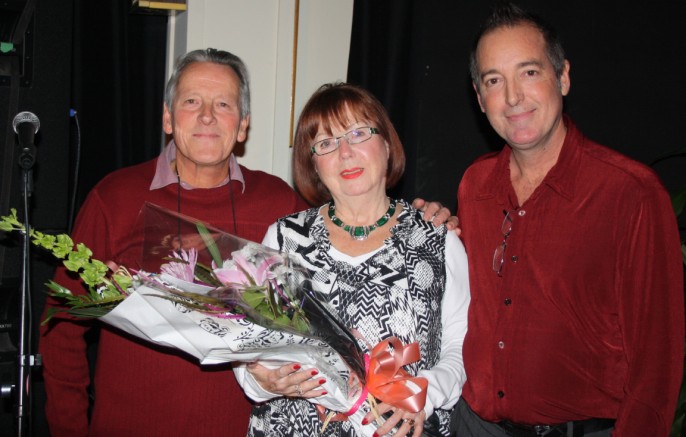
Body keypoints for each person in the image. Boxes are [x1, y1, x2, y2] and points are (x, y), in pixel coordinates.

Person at [38, 49, 454, 436]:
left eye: (223, 105)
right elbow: (61, 327)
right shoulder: (116, 197)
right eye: (191, 102)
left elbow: (349, 217)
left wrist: (421, 219)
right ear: (167, 118)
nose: (206, 117)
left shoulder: (279, 208)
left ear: (242, 125)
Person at [453, 3, 684, 437]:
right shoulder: (474, 186)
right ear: (480, 98)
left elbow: (657, 360)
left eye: (529, 72)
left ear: (563, 76)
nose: (513, 97)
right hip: (476, 426)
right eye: (494, 81)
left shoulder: (629, 193)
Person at [233, 82, 470, 437]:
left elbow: (461, 346)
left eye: (358, 133)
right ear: (313, 164)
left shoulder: (437, 238)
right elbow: (247, 344)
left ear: (387, 144)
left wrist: (424, 392)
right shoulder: (283, 240)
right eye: (326, 143)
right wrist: (259, 379)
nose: (345, 152)